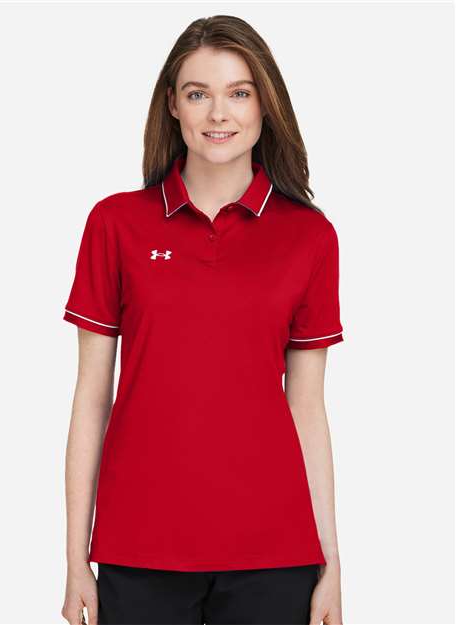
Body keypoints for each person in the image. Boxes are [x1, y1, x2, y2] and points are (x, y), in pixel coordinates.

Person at [61, 14, 344, 625]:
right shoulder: (115, 224)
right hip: (139, 547)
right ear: (172, 105)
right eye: (198, 94)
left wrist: (332, 563)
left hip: (275, 551)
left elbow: (307, 408)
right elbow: (91, 398)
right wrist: (75, 558)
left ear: (265, 105)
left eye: (239, 93)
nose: (219, 113)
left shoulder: (309, 236)